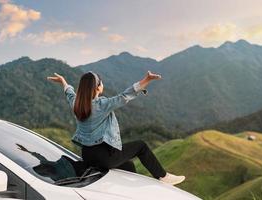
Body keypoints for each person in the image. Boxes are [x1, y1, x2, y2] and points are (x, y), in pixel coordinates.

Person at [47, 70, 185, 185]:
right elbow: (124, 96)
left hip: (88, 156)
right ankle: (163, 176)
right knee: (141, 146)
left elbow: (69, 93)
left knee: (128, 166)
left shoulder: (76, 104)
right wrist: (146, 80)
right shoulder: (102, 105)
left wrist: (63, 81)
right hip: (103, 156)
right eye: (101, 83)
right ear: (98, 87)